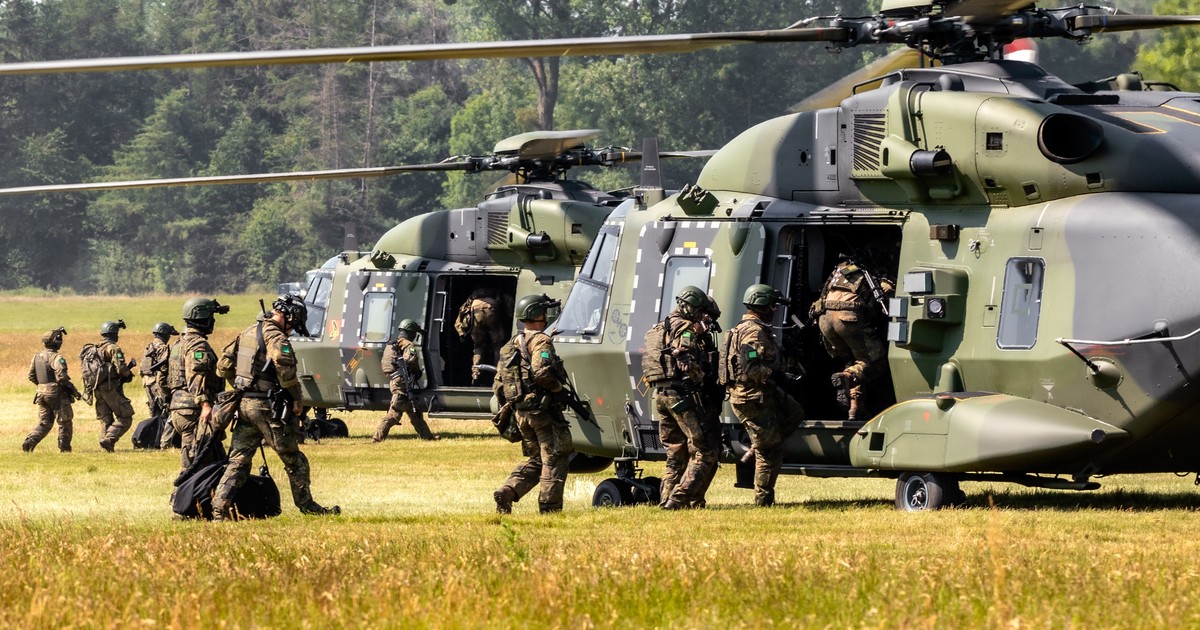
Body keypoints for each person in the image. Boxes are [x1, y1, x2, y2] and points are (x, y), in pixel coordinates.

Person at [211, 295, 339, 519]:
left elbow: (223, 366)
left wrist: (243, 385)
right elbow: (284, 367)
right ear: (288, 316)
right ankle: (307, 506)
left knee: (238, 460)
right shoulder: (275, 336)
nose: (293, 330)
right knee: (295, 459)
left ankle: (219, 509)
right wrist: (297, 398)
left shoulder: (248, 331)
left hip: (244, 405)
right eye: (294, 324)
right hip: (266, 407)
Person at [721, 284, 805, 507]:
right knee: (770, 450)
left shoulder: (744, 327)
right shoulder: (753, 332)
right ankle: (763, 500)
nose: (775, 310)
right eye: (772, 306)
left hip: (756, 392)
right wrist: (777, 376)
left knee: (794, 411)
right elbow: (750, 368)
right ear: (762, 306)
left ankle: (756, 446)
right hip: (752, 395)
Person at [492, 294, 574, 514]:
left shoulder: (511, 344)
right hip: (542, 412)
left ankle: (508, 490)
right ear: (538, 314)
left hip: (521, 413)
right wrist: (558, 389)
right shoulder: (541, 340)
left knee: (538, 459)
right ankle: (549, 508)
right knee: (555, 458)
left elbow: (498, 384)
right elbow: (541, 372)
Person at [641, 286, 718, 509]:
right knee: (705, 450)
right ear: (692, 307)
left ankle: (666, 499)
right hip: (681, 395)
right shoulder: (684, 328)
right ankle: (679, 498)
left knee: (675, 451)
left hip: (661, 395)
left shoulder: (658, 328)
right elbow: (685, 358)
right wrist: (701, 379)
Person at [810, 255, 894, 420]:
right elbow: (889, 292)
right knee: (874, 361)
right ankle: (847, 377)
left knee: (855, 363)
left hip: (824, 319)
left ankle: (855, 408)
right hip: (847, 318)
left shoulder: (840, 269)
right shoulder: (873, 269)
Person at [166, 299, 226, 474]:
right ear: (202, 317)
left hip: (180, 407)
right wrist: (205, 405)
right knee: (195, 460)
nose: (213, 321)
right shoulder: (197, 344)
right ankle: (182, 497)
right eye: (211, 316)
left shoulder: (179, 343)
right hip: (193, 409)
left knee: (209, 456)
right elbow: (196, 375)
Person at [374, 319, 439, 442]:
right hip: (402, 382)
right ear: (411, 333)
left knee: (415, 412)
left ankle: (427, 437)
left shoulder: (392, 344)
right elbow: (410, 360)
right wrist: (416, 371)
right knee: (395, 412)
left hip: (397, 380)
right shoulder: (408, 344)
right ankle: (377, 437)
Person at [23, 327, 78, 453]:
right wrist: (71, 389)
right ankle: (64, 448)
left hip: (41, 393)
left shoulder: (37, 357)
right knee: (65, 421)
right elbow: (62, 377)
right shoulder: (57, 358)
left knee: (45, 422)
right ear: (57, 342)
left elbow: (31, 376)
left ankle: (30, 441)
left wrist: (43, 386)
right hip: (56, 394)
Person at [94, 320, 136, 452]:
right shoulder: (113, 348)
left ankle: (106, 446)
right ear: (114, 334)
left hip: (97, 388)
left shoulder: (97, 348)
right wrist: (128, 374)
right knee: (125, 416)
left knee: (106, 418)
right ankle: (109, 439)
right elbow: (121, 369)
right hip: (110, 387)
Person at [455, 288, 506, 384]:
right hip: (493, 312)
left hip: (476, 313)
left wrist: (461, 333)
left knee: (478, 347)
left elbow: (460, 316)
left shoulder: (471, 301)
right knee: (498, 346)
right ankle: (498, 374)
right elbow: (510, 309)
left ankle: (475, 373)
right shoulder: (497, 295)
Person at [141, 322, 179, 448]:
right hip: (157, 382)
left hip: (147, 382)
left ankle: (153, 439)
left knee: (154, 412)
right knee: (167, 410)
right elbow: (164, 367)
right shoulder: (162, 347)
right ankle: (165, 442)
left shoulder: (149, 346)